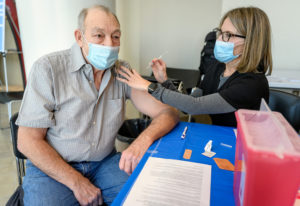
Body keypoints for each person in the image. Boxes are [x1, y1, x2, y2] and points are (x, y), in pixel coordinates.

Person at [16, 5, 178, 206]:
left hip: (104, 162)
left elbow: (168, 112)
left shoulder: (122, 71)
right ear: (79, 37)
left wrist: (141, 141)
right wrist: (76, 182)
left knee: (145, 199)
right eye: (99, 35)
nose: (110, 45)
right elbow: (27, 141)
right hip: (54, 166)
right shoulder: (48, 69)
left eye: (116, 36)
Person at [117, 7, 272, 127]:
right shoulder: (218, 67)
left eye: (227, 35)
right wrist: (164, 81)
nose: (219, 39)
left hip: (239, 148)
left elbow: (194, 107)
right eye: (220, 32)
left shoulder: (251, 84)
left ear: (250, 42)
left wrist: (149, 86)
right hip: (219, 136)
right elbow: (190, 102)